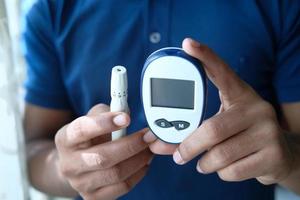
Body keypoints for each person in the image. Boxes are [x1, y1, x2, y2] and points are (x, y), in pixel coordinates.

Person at [23, 1, 300, 200]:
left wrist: (289, 156)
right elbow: (33, 150)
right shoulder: (52, 11)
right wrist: (62, 168)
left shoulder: (281, 7)